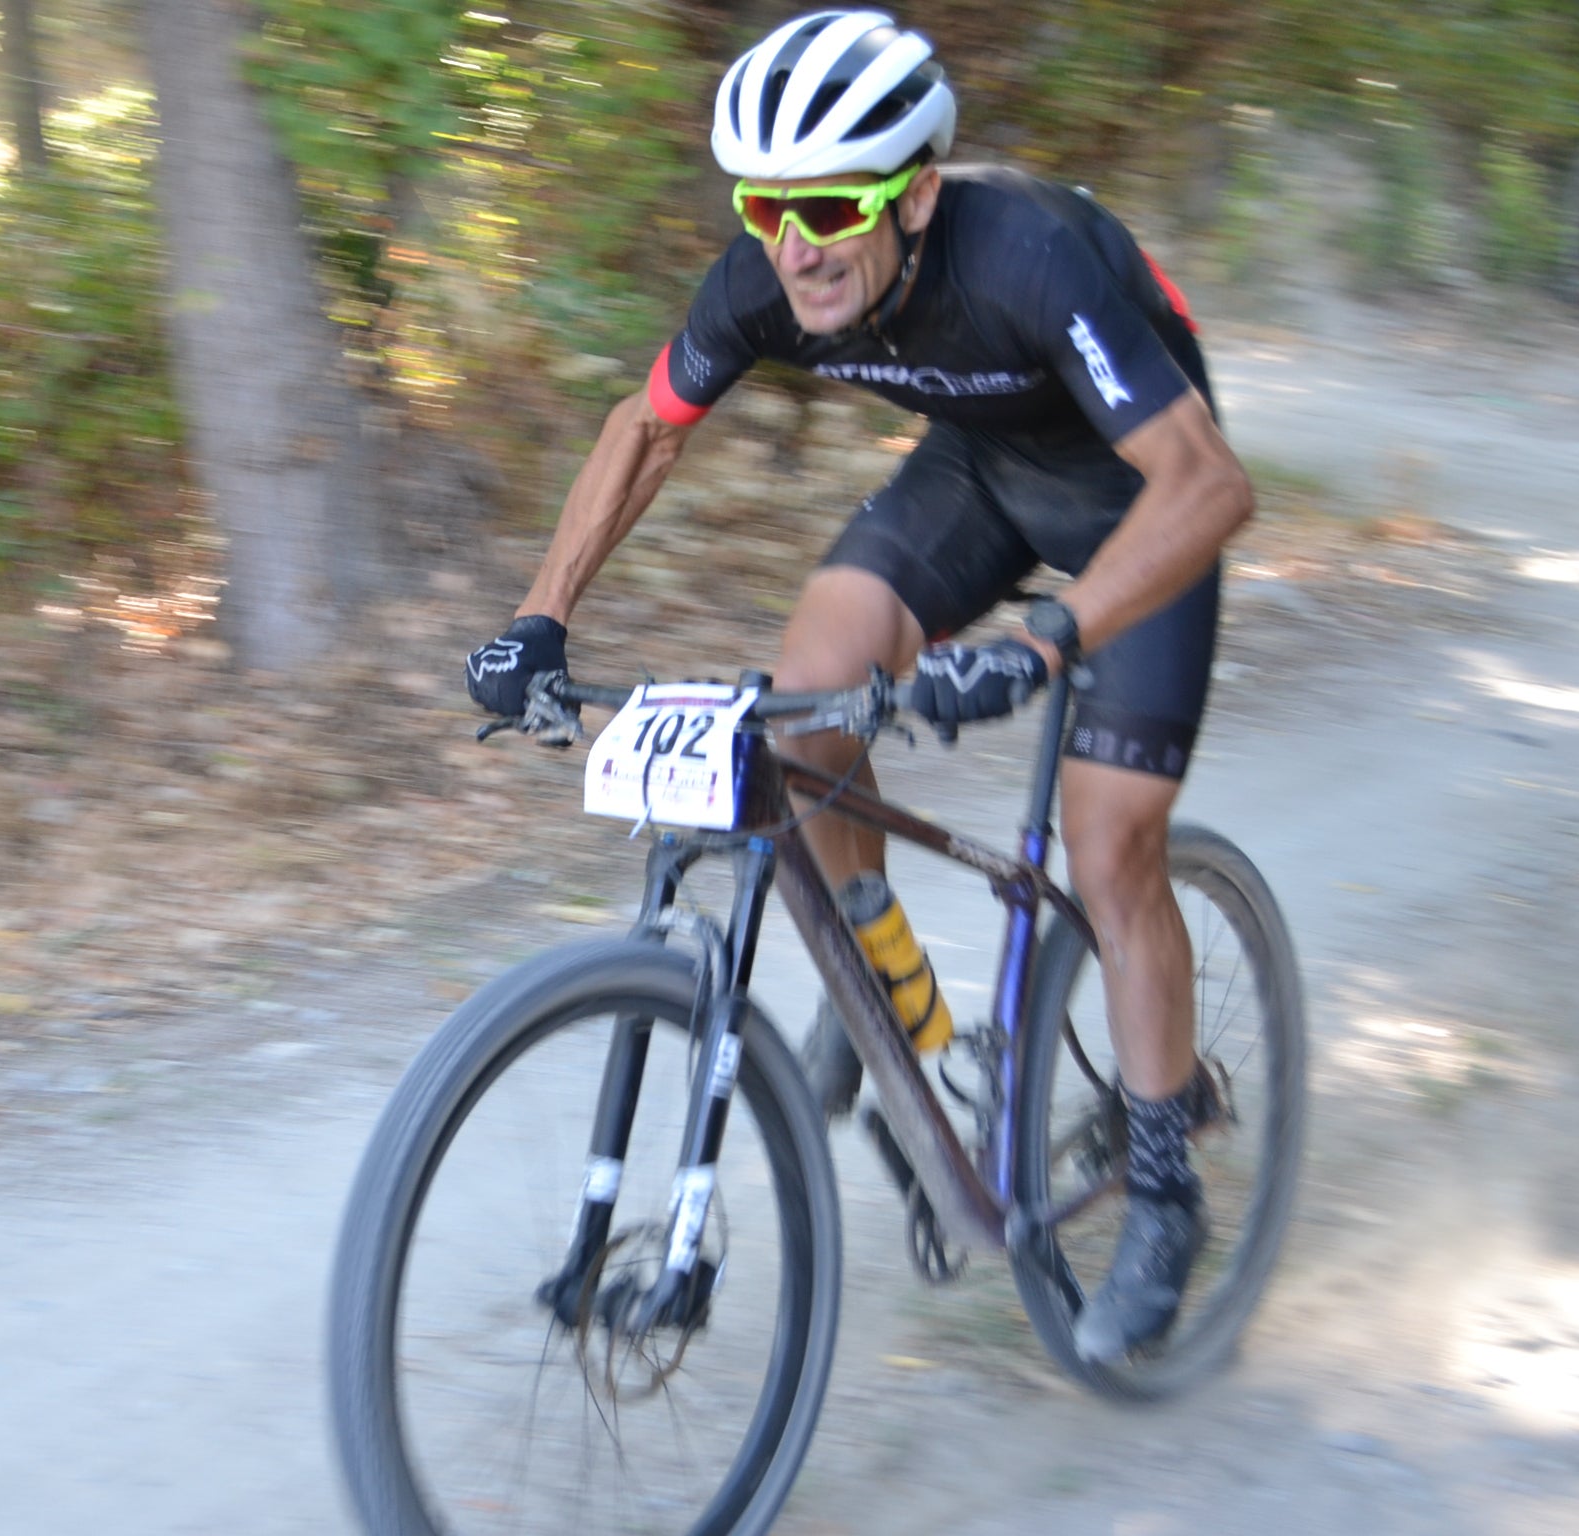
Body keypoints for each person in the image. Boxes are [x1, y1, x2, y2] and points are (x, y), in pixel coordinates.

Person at [463, 10, 1253, 1364]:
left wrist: (1047, 640)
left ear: (917, 195)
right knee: (813, 698)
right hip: (984, 477)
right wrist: (540, 618)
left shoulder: (1027, 251)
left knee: (1109, 845)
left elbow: (1212, 484)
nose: (798, 238)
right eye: (768, 205)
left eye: (831, 203)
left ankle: (1166, 1181)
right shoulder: (767, 276)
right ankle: (910, 1013)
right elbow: (647, 430)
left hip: (1141, 505)